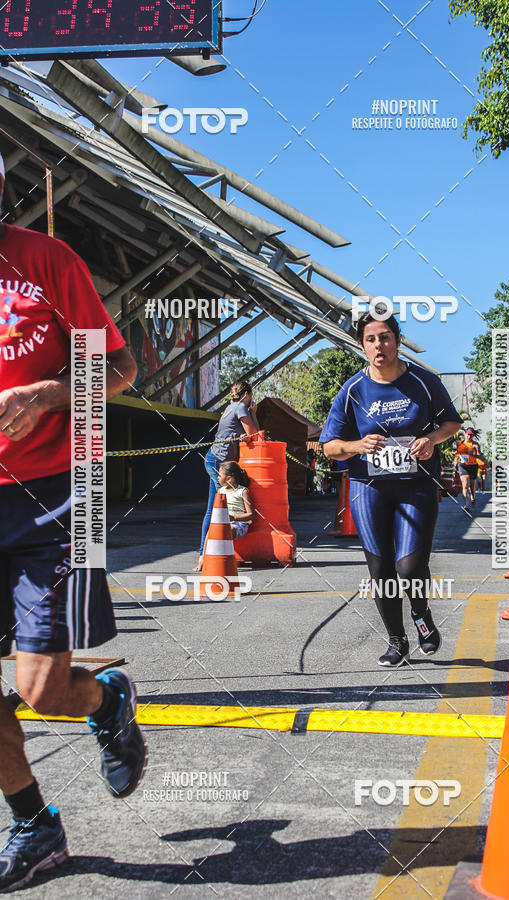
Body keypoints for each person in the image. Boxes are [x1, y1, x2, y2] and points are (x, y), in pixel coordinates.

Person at [0, 153, 146, 891]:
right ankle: (34, 825)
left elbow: (117, 370)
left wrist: (53, 392)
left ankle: (106, 698)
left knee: (40, 690)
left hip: (58, 495)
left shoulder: (44, 262)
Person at [321, 311, 462, 667]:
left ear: (397, 341)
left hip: (416, 487)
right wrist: (357, 446)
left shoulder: (425, 381)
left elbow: (452, 423)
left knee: (410, 567)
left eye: (385, 337)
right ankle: (397, 641)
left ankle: (421, 615)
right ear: (362, 346)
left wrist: (430, 439)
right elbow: (329, 446)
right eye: (370, 339)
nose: (378, 345)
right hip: (369, 488)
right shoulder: (353, 390)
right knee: (381, 571)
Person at [197, 381, 259, 568]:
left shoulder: (230, 407)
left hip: (213, 459)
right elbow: (255, 434)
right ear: (246, 394)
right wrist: (254, 414)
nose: (251, 400)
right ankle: (213, 557)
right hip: (219, 464)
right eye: (251, 396)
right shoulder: (241, 407)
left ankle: (203, 555)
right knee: (222, 509)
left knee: (212, 509)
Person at [194, 461, 254, 569]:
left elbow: (250, 515)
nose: (217, 477)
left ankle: (223, 563)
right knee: (210, 532)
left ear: (229, 479)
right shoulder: (220, 491)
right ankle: (203, 558)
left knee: (226, 530)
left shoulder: (242, 491)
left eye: (220, 475)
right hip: (224, 523)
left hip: (239, 525)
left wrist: (233, 517)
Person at [454, 428, 482, 510]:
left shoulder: (475, 444)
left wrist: (472, 454)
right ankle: (466, 504)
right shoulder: (460, 443)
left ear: (473, 435)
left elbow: (479, 455)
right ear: (465, 434)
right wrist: (455, 453)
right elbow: (458, 453)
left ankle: (473, 498)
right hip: (463, 465)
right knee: (465, 485)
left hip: (473, 466)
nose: (469, 436)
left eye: (471, 435)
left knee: (472, 485)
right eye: (468, 434)